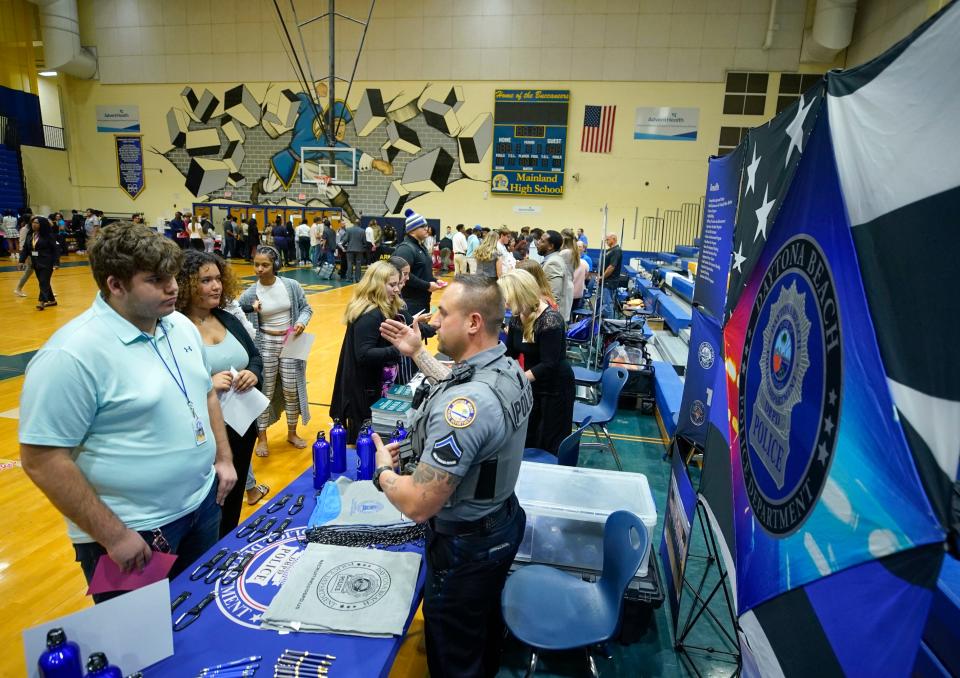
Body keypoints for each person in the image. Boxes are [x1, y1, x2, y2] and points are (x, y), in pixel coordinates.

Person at [18, 222, 236, 602]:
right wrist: (114, 536)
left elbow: (205, 394)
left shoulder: (179, 325)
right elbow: (42, 458)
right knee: (142, 648)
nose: (172, 286)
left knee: (200, 620)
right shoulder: (71, 355)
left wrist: (224, 458)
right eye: (155, 279)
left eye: (172, 275)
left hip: (203, 506)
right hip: (134, 533)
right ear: (115, 284)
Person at [374, 275, 532, 678]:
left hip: (467, 545)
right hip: (502, 521)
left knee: (454, 652)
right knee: (481, 625)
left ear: (473, 322)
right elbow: (463, 385)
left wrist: (383, 473)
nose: (434, 321)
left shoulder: (468, 408)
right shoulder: (506, 368)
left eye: (443, 314)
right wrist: (416, 353)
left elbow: (417, 504)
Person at [176, 250, 263, 536]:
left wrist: (253, 373)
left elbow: (255, 357)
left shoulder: (228, 319)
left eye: (217, 279)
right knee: (212, 503)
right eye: (205, 280)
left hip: (241, 426)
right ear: (186, 285)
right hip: (204, 435)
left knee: (233, 496)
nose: (216, 286)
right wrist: (207, 384)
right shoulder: (175, 329)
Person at [239, 246, 313, 456]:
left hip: (291, 339)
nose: (259, 269)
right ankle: (261, 437)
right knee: (265, 391)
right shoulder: (251, 292)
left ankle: (292, 432)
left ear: (276, 265)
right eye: (256, 265)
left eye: (265, 265)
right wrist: (251, 308)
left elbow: (307, 308)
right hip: (265, 343)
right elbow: (234, 308)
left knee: (291, 388)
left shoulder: (291, 285)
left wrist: (301, 322)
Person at [499, 270, 574, 455]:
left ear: (520, 294)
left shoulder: (550, 321)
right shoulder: (517, 317)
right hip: (533, 383)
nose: (505, 303)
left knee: (549, 440)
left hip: (555, 387)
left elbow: (549, 364)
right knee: (529, 435)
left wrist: (519, 379)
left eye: (507, 298)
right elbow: (510, 353)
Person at [330, 261, 404, 442]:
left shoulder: (383, 308)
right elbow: (364, 354)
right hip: (363, 394)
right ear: (377, 285)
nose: (397, 289)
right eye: (392, 285)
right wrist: (399, 349)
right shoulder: (369, 314)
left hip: (372, 388)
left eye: (397, 284)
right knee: (364, 443)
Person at [393, 208, 441, 317]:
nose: (427, 229)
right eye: (423, 226)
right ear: (412, 230)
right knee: (412, 332)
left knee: (421, 332)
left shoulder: (420, 246)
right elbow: (403, 274)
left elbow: (421, 271)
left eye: (426, 225)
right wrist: (427, 285)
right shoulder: (406, 248)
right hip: (410, 301)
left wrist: (435, 280)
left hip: (422, 299)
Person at [19, 216, 60, 310]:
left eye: (37, 223)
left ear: (42, 225)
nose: (34, 224)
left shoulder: (49, 236)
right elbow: (25, 249)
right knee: (44, 282)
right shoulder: (30, 235)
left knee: (43, 282)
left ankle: (42, 301)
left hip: (47, 262)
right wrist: (21, 261)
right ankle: (52, 301)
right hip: (35, 262)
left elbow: (56, 250)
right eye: (33, 222)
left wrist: (56, 263)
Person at [538, 229, 573, 319]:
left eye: (542, 241)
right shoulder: (553, 259)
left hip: (551, 319)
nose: (538, 242)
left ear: (550, 246)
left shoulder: (553, 263)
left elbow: (553, 296)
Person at [599, 233, 623, 317]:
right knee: (604, 304)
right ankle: (604, 322)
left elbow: (611, 267)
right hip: (604, 281)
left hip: (609, 282)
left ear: (613, 239)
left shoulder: (616, 250)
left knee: (607, 304)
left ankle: (610, 324)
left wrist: (602, 277)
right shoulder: (609, 250)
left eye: (607, 240)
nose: (606, 242)